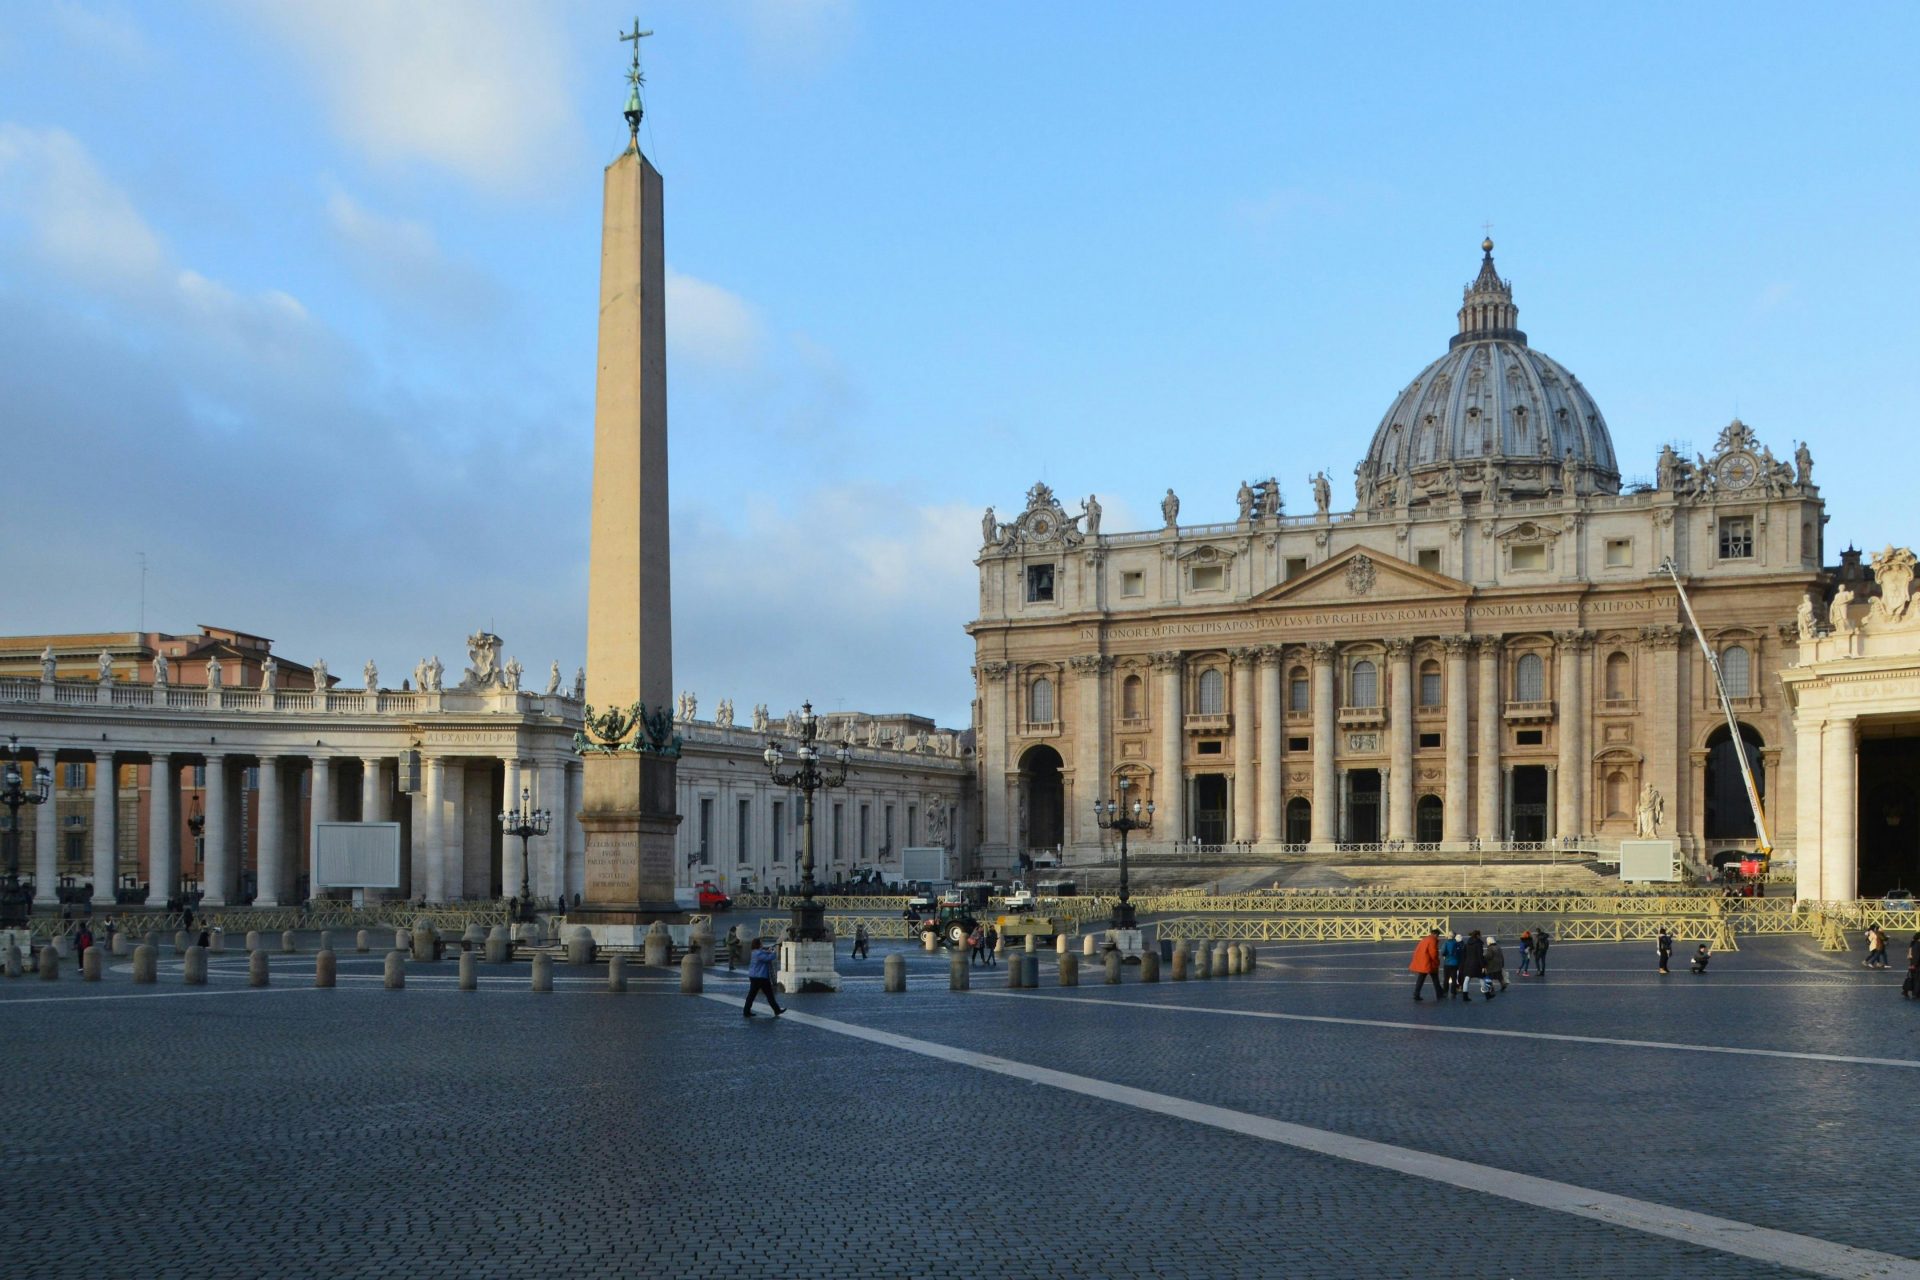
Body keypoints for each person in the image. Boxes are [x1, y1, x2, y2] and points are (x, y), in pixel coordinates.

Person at [743, 939, 784, 1018]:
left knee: (752, 995)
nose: (762, 944)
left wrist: (768, 950)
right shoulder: (758, 954)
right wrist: (774, 952)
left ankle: (746, 1011)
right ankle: (777, 1010)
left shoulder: (755, 952)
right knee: (768, 995)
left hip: (756, 977)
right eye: (761, 943)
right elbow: (768, 958)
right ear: (758, 945)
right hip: (760, 977)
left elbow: (763, 952)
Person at [1408, 927, 1443, 1001]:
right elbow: (1433, 953)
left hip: (1423, 962)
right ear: (1436, 934)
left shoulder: (1425, 939)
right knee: (1435, 978)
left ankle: (1416, 994)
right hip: (1428, 963)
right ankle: (1439, 994)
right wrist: (1437, 961)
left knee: (1421, 979)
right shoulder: (1433, 940)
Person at [1460, 930, 1486, 1002]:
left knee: (1467, 979)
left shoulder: (1467, 943)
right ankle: (1487, 994)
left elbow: (1464, 954)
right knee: (1481, 978)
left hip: (1468, 963)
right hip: (1476, 964)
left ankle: (1465, 995)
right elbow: (1480, 956)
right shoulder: (1478, 944)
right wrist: (1483, 965)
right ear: (1477, 935)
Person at [1439, 932, 1461, 998]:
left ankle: (1445, 991)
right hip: (1455, 963)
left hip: (1447, 962)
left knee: (1446, 978)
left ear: (1449, 936)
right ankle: (1453, 992)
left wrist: (1445, 955)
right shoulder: (1457, 944)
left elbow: (1443, 952)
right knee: (1454, 978)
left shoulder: (1446, 943)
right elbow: (1460, 953)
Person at [1904, 933, 1920, 1000]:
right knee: (1917, 980)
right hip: (1916, 965)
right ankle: (1916, 994)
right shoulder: (1917, 945)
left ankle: (1911, 992)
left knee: (1914, 979)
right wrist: (1914, 964)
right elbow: (1917, 956)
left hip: (1914, 964)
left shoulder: (1914, 944)